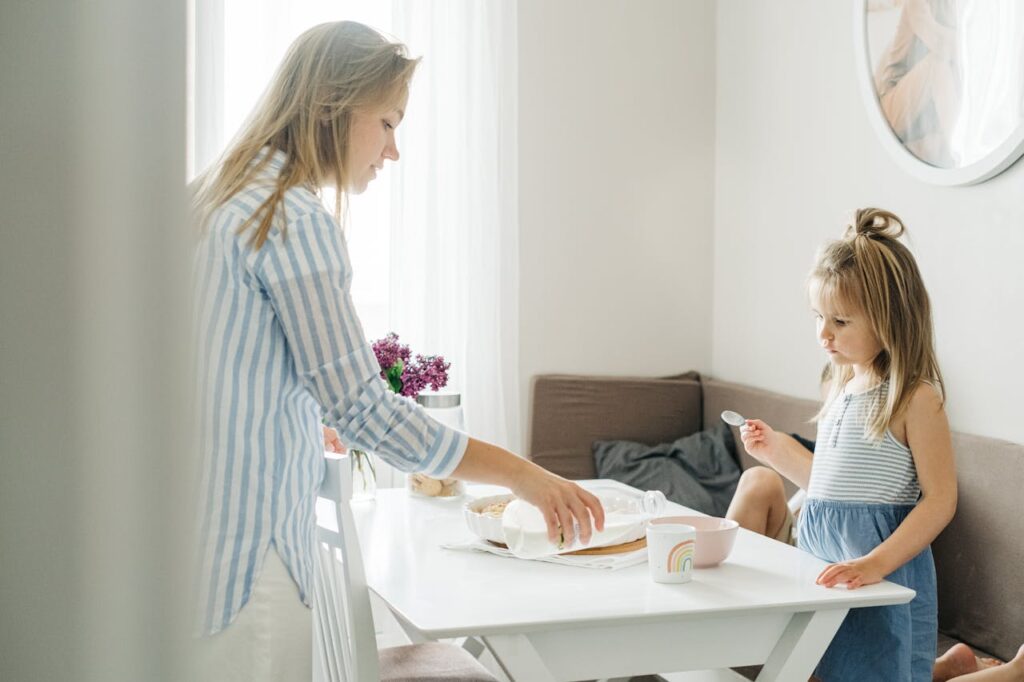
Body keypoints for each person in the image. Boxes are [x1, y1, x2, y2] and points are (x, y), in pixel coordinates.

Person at [189, 21, 604, 681]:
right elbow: (367, 412)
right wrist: (527, 475)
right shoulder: (291, 220)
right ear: (333, 109)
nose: (393, 150)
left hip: (193, 551)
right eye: (387, 123)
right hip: (251, 562)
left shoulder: (216, 203)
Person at [727, 208, 957, 681]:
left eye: (841, 321)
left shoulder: (916, 397)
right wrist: (775, 452)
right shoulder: (839, 385)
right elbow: (832, 487)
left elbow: (940, 500)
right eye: (818, 316)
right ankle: (953, 666)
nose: (823, 333)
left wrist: (877, 563)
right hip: (822, 560)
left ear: (889, 319)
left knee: (883, 672)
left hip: (877, 569)